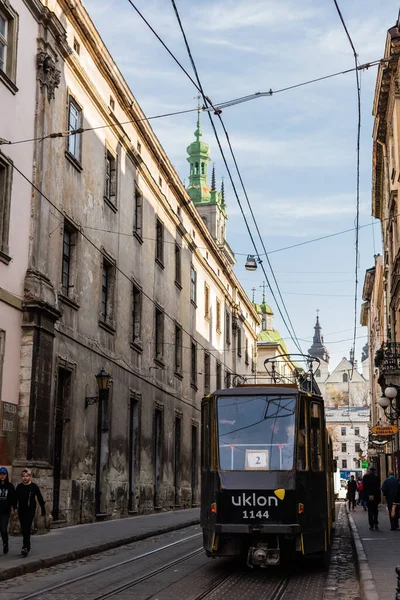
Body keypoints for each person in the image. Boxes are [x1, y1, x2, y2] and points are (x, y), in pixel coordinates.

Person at [15, 469, 46, 557]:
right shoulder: (19, 487)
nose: (25, 478)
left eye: (27, 476)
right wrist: (15, 507)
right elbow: (15, 498)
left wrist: (43, 508)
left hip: (30, 510)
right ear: (22, 477)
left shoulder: (34, 487)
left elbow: (39, 497)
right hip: (21, 510)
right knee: (24, 529)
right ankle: (26, 546)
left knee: (26, 528)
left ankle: (26, 547)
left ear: (30, 477)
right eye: (23, 476)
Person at [0, 467, 15, 554]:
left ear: (6, 475)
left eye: (4, 474)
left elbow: (13, 498)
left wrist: (15, 507)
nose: (2, 476)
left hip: (5, 511)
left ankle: (5, 543)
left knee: (3, 529)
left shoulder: (10, 486)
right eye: (1, 474)